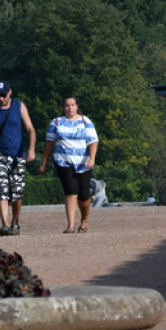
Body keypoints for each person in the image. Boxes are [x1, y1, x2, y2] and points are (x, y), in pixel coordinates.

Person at [0, 80, 36, 236]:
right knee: (2, 189)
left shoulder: (19, 106)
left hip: (18, 155)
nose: (1, 99)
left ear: (10, 92)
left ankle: (15, 222)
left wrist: (31, 149)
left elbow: (30, 129)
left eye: (3, 95)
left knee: (17, 192)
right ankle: (5, 225)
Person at [38, 96, 99, 233]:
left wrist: (92, 159)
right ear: (63, 107)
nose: (69, 108)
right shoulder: (56, 122)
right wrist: (44, 163)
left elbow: (93, 141)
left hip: (83, 162)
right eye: (66, 105)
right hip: (63, 161)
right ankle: (70, 225)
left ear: (77, 106)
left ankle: (84, 220)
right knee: (71, 191)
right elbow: (49, 144)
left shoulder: (85, 122)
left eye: (72, 105)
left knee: (84, 195)